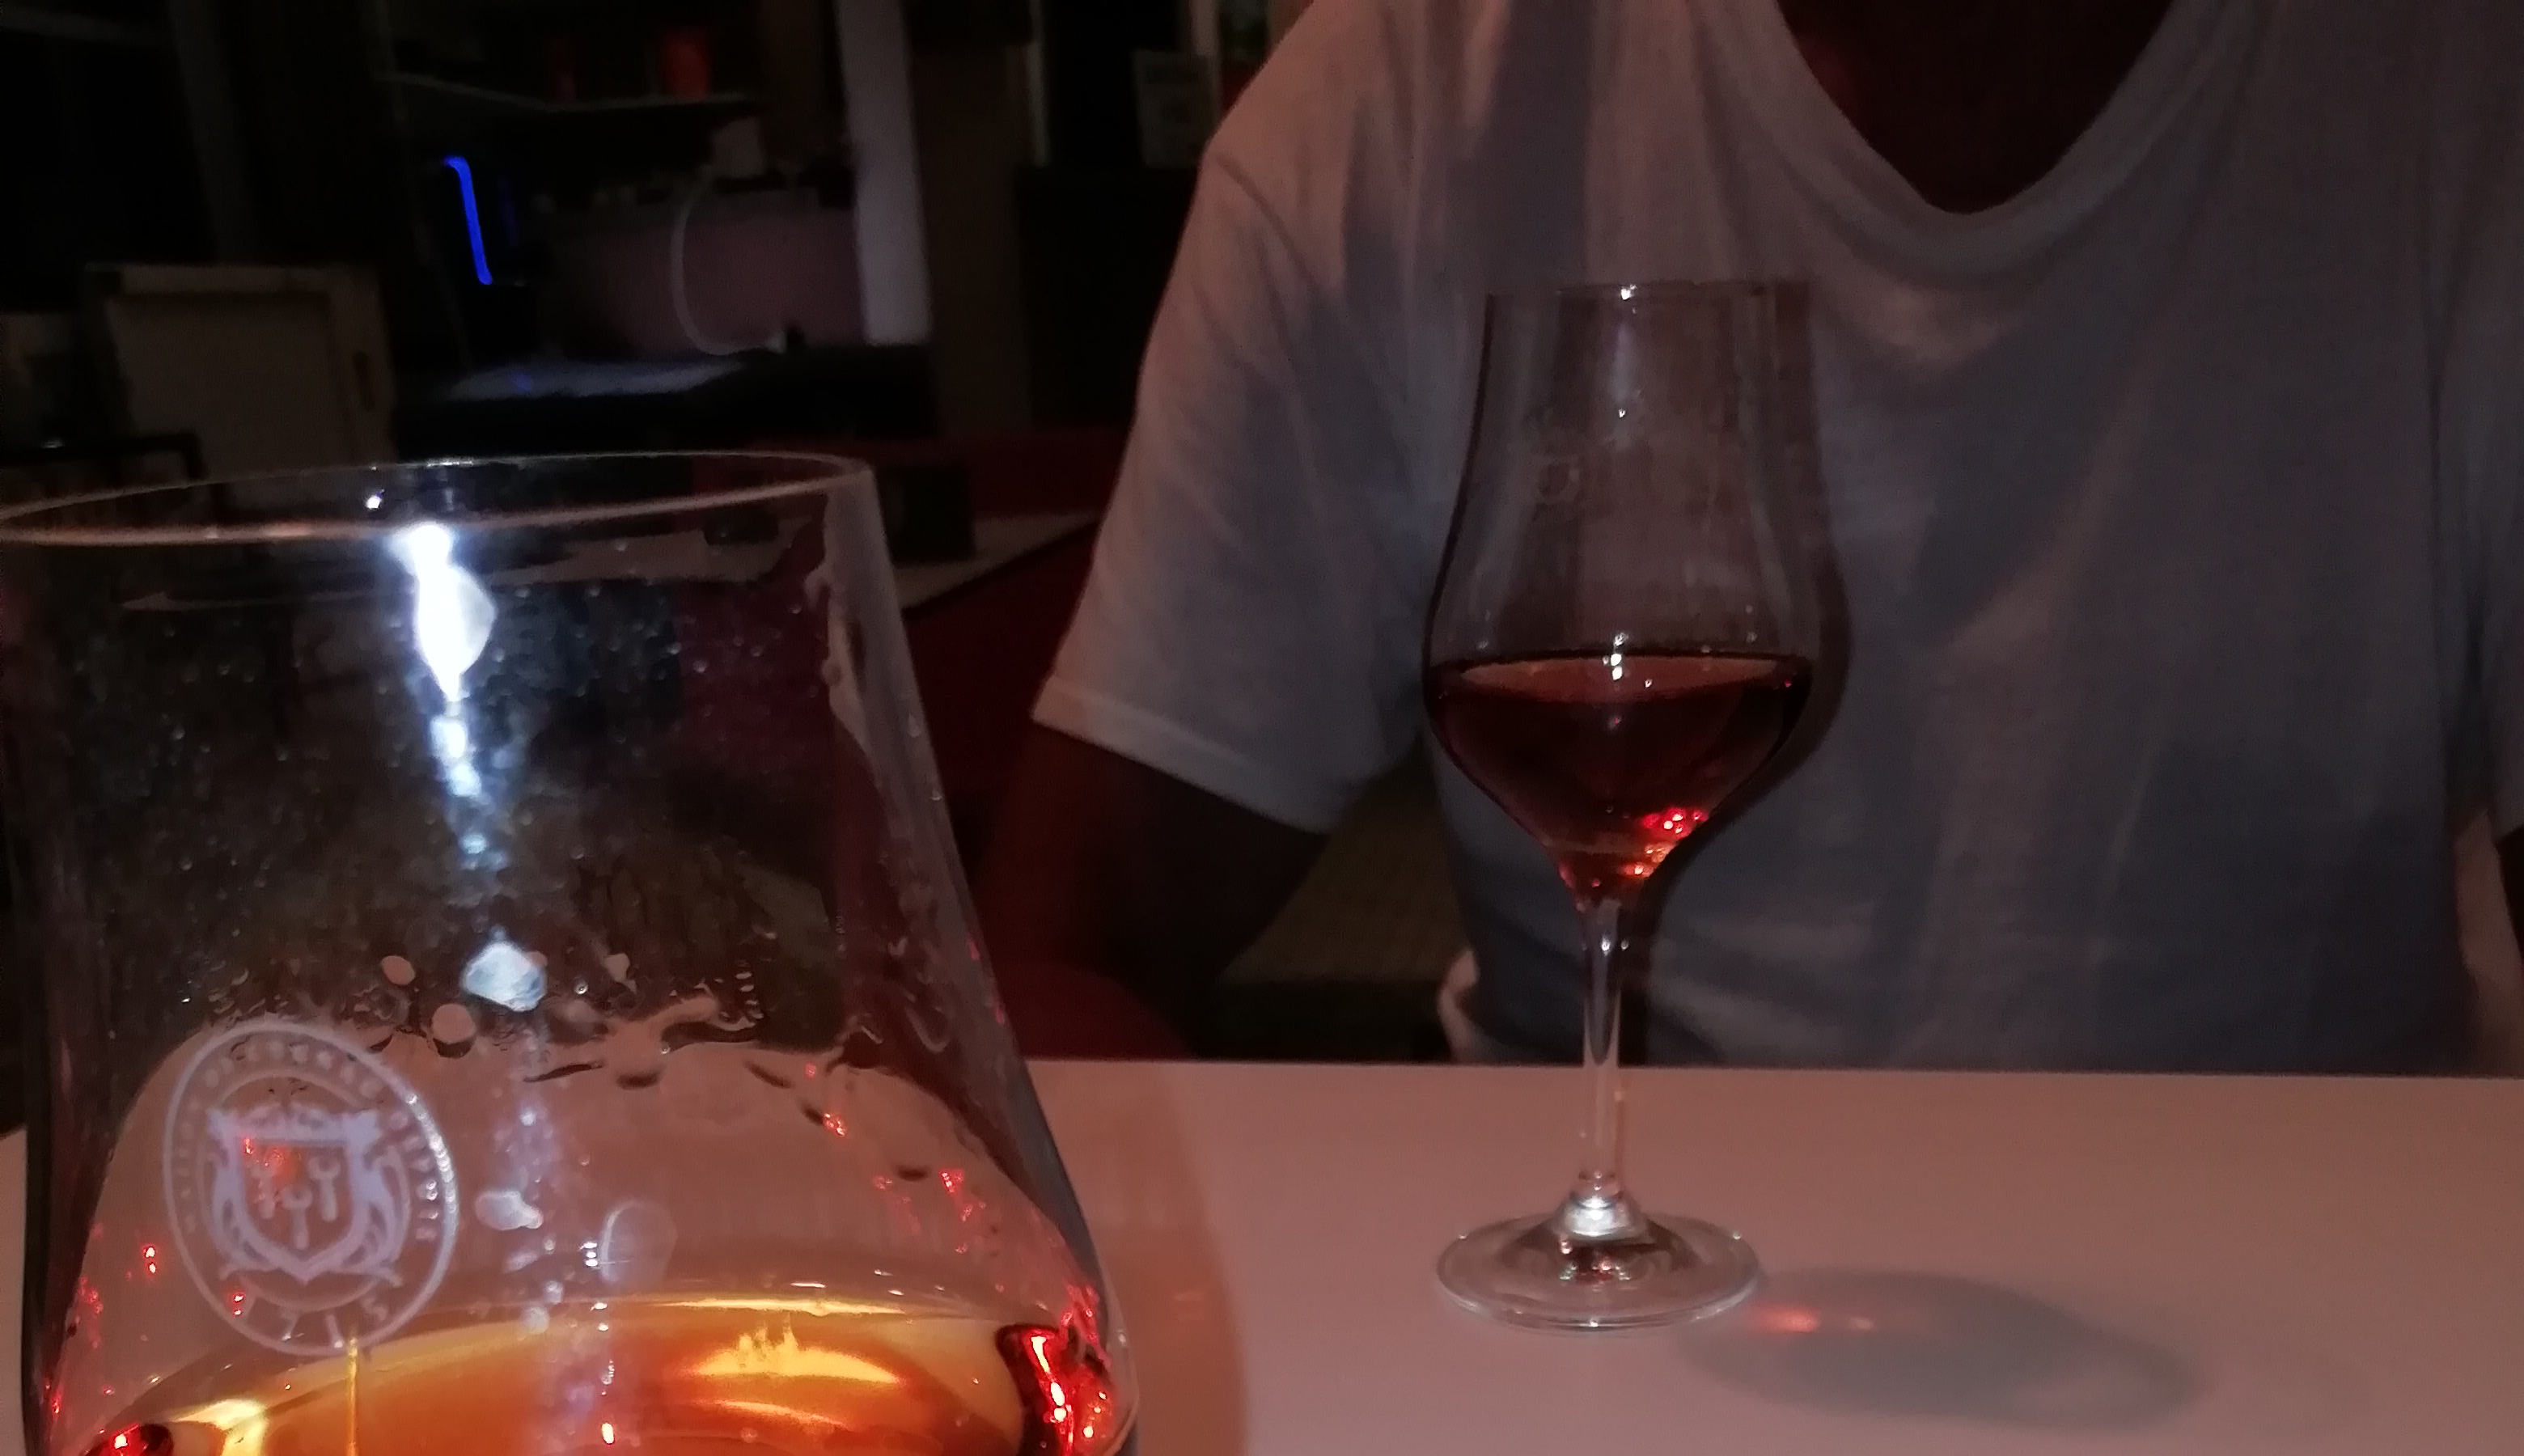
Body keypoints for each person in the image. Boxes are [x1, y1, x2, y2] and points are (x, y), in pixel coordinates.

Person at [977, 0, 2524, 1072]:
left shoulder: (2458, 96)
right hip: (1598, 1329)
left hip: (2327, 1318)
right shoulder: (1401, 97)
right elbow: (1063, 948)